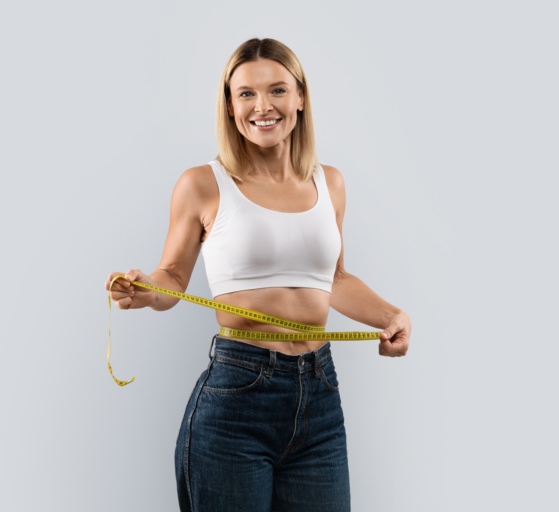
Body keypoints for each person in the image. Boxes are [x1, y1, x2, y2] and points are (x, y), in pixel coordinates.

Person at [106, 37, 410, 512]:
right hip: (236, 399)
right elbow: (171, 277)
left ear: (301, 97)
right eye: (245, 93)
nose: (262, 106)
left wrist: (391, 315)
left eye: (277, 90)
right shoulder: (203, 184)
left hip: (320, 398)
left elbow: (335, 279)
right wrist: (145, 291)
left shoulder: (330, 183)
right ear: (229, 106)